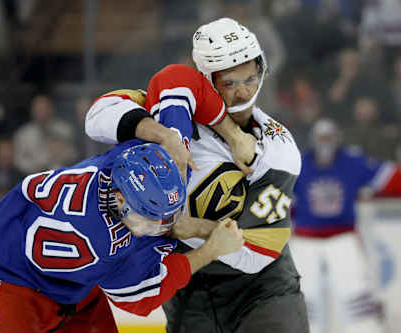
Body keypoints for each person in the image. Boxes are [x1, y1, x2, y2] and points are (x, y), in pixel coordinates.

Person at [86, 17, 309, 333]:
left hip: (262, 290)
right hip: (188, 289)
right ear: (205, 79)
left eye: (251, 78)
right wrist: (161, 134)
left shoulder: (277, 149)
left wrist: (176, 226)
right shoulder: (168, 110)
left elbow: (259, 253)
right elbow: (96, 117)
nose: (244, 92)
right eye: (229, 83)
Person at [0, 140, 245, 333]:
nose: (158, 228)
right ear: (120, 198)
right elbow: (143, 294)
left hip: (72, 284)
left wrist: (165, 135)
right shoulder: (103, 243)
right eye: (149, 220)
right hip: (7, 283)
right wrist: (211, 249)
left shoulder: (123, 161)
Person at [290, 118, 401, 333]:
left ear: (337, 140)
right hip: (305, 242)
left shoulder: (352, 162)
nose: (325, 143)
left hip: (343, 239)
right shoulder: (297, 164)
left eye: (329, 138)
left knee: (356, 299)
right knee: (304, 302)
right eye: (322, 138)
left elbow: (388, 177)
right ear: (313, 140)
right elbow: (279, 199)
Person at [13, 95, 77, 175]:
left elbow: (75, 154)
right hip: (34, 178)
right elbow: (19, 162)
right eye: (39, 110)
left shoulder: (65, 130)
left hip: (63, 176)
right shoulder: (23, 135)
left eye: (45, 109)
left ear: (51, 110)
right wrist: (39, 164)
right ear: (32, 111)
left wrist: (63, 153)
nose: (42, 113)